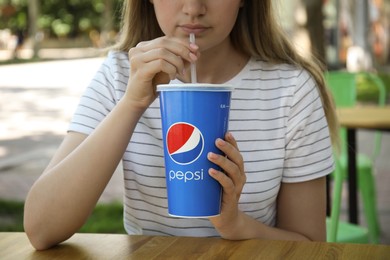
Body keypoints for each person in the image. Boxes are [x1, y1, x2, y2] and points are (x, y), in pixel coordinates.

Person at [24, 0, 338, 250]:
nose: (193, 8)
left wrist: (236, 225)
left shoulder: (292, 89)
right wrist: (133, 102)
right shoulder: (120, 76)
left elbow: (311, 247)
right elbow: (41, 228)